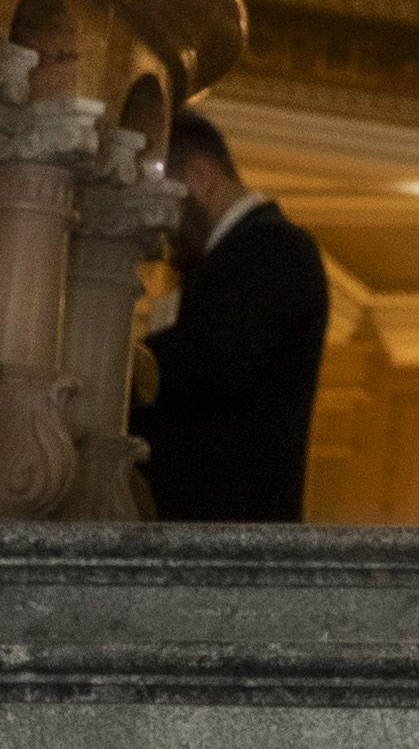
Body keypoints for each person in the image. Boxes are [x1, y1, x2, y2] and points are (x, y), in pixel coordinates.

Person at [141, 113, 329, 524]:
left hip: (229, 529)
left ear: (200, 177)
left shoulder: (273, 247)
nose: (159, 224)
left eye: (160, 199)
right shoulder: (240, 255)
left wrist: (130, 363)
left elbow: (212, 363)